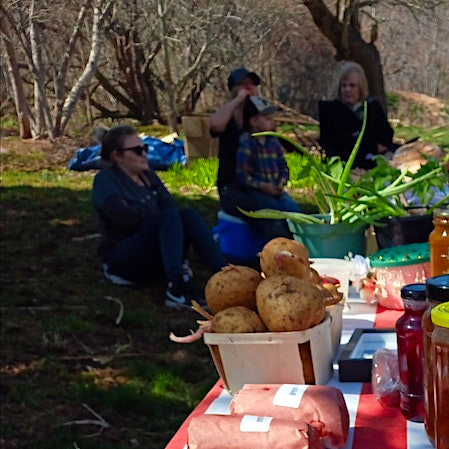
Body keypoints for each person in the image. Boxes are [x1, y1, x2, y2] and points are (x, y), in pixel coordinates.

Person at [92, 125, 226, 309]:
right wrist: (154, 217)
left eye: (145, 148)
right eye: (138, 150)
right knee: (168, 217)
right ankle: (177, 288)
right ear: (118, 156)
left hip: (153, 254)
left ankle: (225, 274)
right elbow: (123, 217)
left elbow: (169, 205)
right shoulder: (105, 181)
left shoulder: (147, 176)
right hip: (123, 261)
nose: (144, 154)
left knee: (187, 214)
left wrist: (148, 215)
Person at [232, 95, 300, 240]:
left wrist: (281, 183)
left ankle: (301, 243)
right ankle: (281, 246)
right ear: (254, 121)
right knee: (273, 215)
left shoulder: (273, 142)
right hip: (258, 191)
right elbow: (242, 175)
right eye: (267, 119)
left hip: (277, 190)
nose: (272, 122)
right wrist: (263, 186)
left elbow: (284, 168)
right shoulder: (247, 142)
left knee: (295, 213)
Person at [318, 62, 395, 170]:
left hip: (373, 163)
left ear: (361, 88)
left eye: (352, 85)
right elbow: (336, 144)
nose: (347, 90)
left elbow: (386, 138)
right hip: (344, 166)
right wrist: (371, 146)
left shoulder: (372, 109)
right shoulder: (331, 112)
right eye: (344, 85)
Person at [209, 66, 261, 218]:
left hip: (259, 185)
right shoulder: (229, 116)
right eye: (243, 84)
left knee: (289, 211)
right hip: (232, 187)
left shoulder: (259, 116)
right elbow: (215, 125)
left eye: (251, 84)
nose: (248, 88)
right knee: (266, 213)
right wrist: (238, 100)